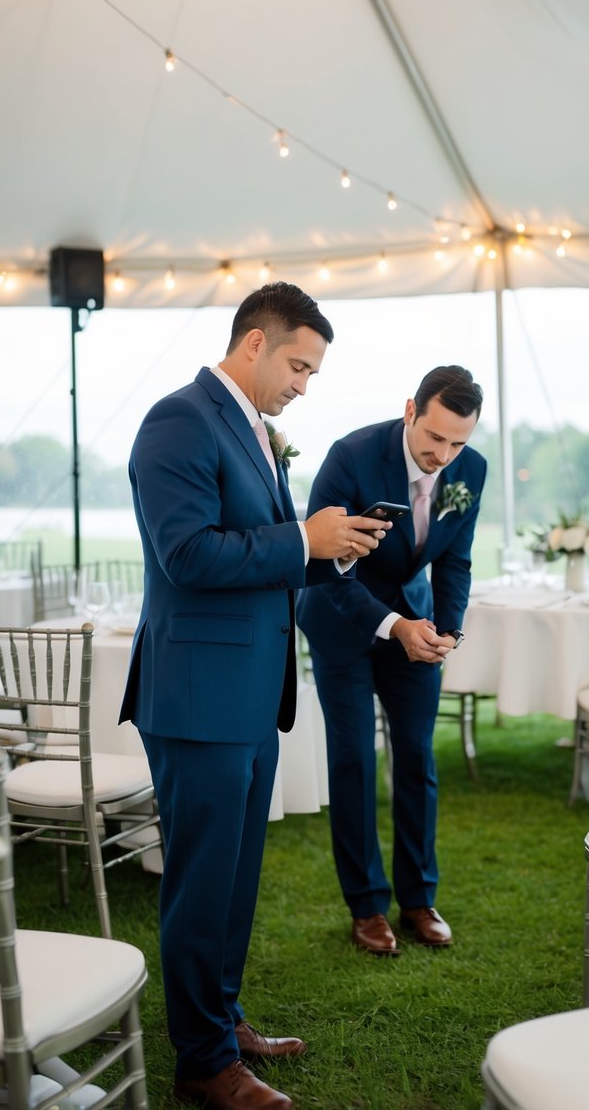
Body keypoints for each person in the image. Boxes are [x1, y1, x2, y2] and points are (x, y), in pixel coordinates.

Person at [120, 282, 386, 1110]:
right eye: (299, 366)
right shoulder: (177, 420)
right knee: (201, 884)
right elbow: (188, 556)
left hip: (247, 695)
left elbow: (260, 551)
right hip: (198, 698)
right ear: (253, 346)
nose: (304, 384)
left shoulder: (251, 429)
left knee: (234, 880)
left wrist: (326, 547)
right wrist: (297, 536)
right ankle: (201, 1062)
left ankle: (222, 1021)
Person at [296, 365, 486, 956]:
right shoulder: (350, 456)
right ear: (411, 411)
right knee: (353, 759)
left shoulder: (470, 471)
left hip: (416, 621)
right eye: (435, 439)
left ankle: (418, 897)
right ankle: (367, 906)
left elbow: (454, 561)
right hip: (342, 621)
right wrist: (391, 626)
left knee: (418, 757)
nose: (444, 455)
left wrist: (447, 632)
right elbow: (325, 565)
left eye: (458, 442)